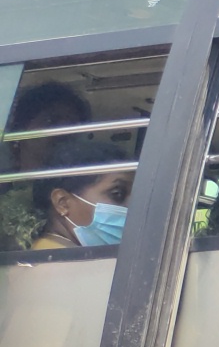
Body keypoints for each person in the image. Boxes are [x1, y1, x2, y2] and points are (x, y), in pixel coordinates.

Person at [0, 82, 93, 250]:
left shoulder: (82, 190)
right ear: (21, 129)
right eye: (51, 121)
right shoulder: (3, 185)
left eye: (72, 125)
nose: (63, 131)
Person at [28, 137, 132, 249]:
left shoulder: (76, 257)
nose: (131, 206)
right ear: (62, 203)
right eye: (118, 194)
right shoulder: (54, 263)